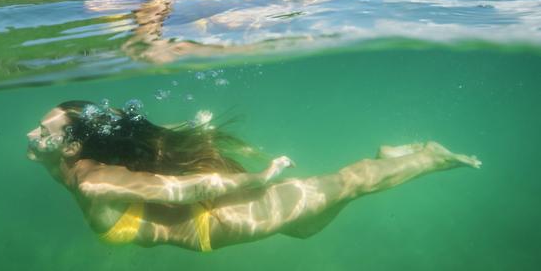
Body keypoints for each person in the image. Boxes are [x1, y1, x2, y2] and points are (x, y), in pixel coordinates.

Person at [27, 100, 481, 252]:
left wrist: (260, 180)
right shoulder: (71, 167)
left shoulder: (93, 182)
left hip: (222, 217)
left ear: (73, 147)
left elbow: (194, 187)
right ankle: (388, 156)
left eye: (43, 132)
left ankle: (428, 156)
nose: (32, 135)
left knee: (350, 182)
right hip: (215, 221)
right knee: (304, 227)